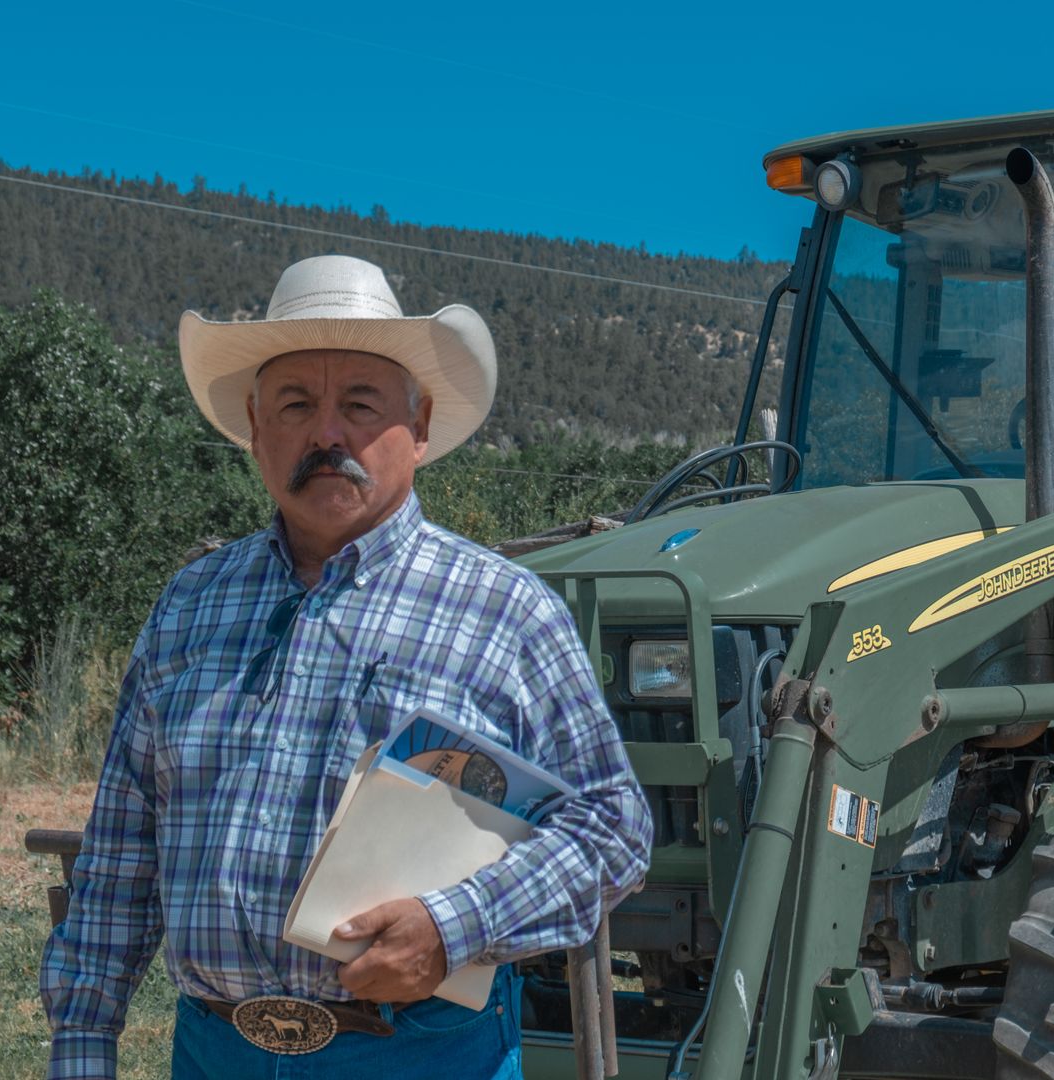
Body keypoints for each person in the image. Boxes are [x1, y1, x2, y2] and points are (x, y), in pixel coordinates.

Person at [39, 255, 653, 1079]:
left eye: (359, 404)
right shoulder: (188, 608)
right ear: (256, 428)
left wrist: (453, 928)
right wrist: (82, 1045)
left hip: (423, 1054)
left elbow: (612, 830)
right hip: (216, 1052)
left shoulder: (506, 610)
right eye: (295, 405)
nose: (327, 434)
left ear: (421, 423)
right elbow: (121, 854)